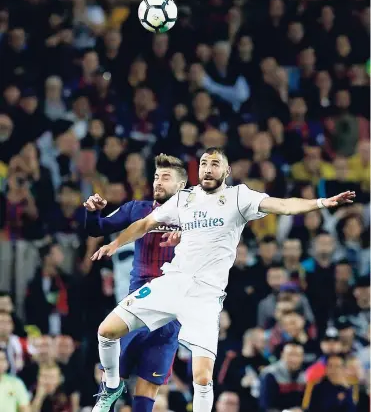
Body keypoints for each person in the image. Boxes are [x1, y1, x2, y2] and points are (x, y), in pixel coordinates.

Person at [91, 147, 355, 412]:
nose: (207, 168)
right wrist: (115, 244)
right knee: (106, 331)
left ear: (226, 171)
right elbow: (145, 223)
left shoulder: (239, 197)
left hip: (205, 297)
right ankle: (112, 387)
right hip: (172, 282)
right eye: (204, 163)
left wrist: (320, 203)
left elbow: (284, 206)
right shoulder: (185, 198)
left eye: (215, 163)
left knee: (203, 378)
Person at [84, 154, 187, 412]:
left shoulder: (193, 218)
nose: (158, 182)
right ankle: (109, 389)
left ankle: (110, 389)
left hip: (170, 311)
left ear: (181, 185)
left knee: (147, 391)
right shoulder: (137, 210)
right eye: (155, 177)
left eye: (166, 177)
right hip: (138, 300)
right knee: (109, 350)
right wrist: (93, 213)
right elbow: (98, 229)